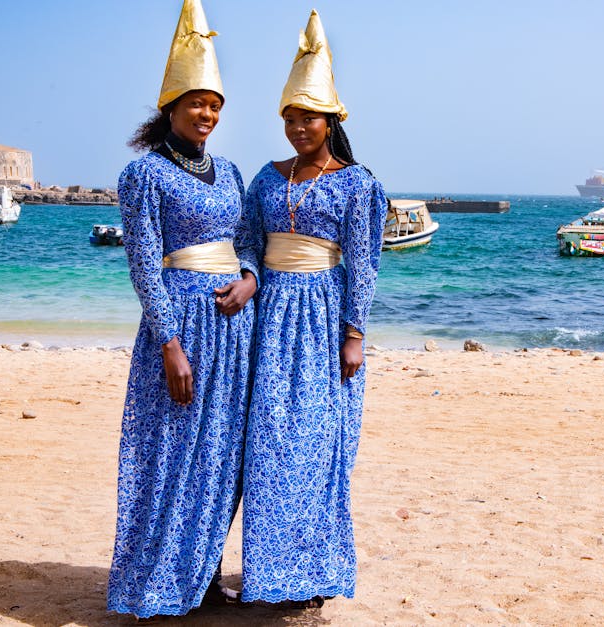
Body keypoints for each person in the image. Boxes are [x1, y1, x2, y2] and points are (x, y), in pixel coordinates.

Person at [107, 0, 257, 619]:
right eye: (198, 103)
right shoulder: (141, 174)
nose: (208, 114)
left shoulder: (231, 171)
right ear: (170, 106)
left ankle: (203, 575)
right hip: (181, 325)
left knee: (223, 452)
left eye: (216, 105)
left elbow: (248, 237)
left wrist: (249, 278)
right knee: (171, 449)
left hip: (235, 324)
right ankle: (159, 581)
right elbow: (144, 263)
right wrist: (169, 342)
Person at [237, 9, 387, 609]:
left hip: (323, 317)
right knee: (268, 446)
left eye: (309, 118)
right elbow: (247, 237)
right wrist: (249, 276)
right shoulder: (265, 180)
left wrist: (355, 333)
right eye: (291, 119)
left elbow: (365, 263)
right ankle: (270, 575)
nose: (299, 128)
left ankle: (313, 575)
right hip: (266, 317)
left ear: (332, 121)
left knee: (318, 446)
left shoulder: (358, 183)